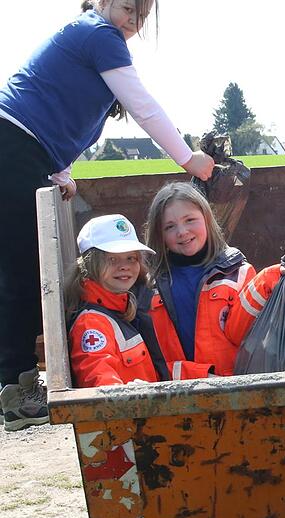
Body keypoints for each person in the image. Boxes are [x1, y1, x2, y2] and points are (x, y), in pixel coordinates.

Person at [0, 0, 214, 426]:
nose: (131, 21)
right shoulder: (99, 34)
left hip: (21, 147)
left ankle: (14, 383)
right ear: (101, 1)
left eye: (140, 16)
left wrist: (62, 171)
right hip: (12, 143)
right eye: (126, 8)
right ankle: (14, 389)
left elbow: (65, 111)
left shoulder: (91, 39)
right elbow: (144, 106)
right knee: (23, 272)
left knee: (20, 269)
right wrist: (189, 159)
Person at [142, 182, 285, 378]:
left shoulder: (240, 273)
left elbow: (243, 334)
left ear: (207, 218)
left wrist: (270, 280)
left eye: (190, 220)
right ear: (159, 235)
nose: (182, 232)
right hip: (175, 395)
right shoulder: (147, 284)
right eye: (170, 226)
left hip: (231, 391)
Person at [64, 215, 211, 390]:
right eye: (112, 259)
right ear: (91, 263)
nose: (124, 266)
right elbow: (99, 380)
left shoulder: (121, 309)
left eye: (131, 258)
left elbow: (155, 373)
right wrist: (128, 395)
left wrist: (207, 377)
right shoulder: (92, 323)